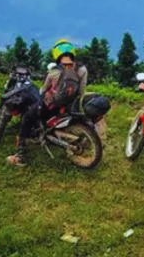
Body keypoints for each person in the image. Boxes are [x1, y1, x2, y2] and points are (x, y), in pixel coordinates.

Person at [7, 39, 87, 167]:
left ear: (56, 54)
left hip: (52, 105)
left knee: (27, 116)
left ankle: (20, 154)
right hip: (70, 104)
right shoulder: (82, 69)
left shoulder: (54, 72)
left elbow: (43, 91)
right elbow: (81, 90)